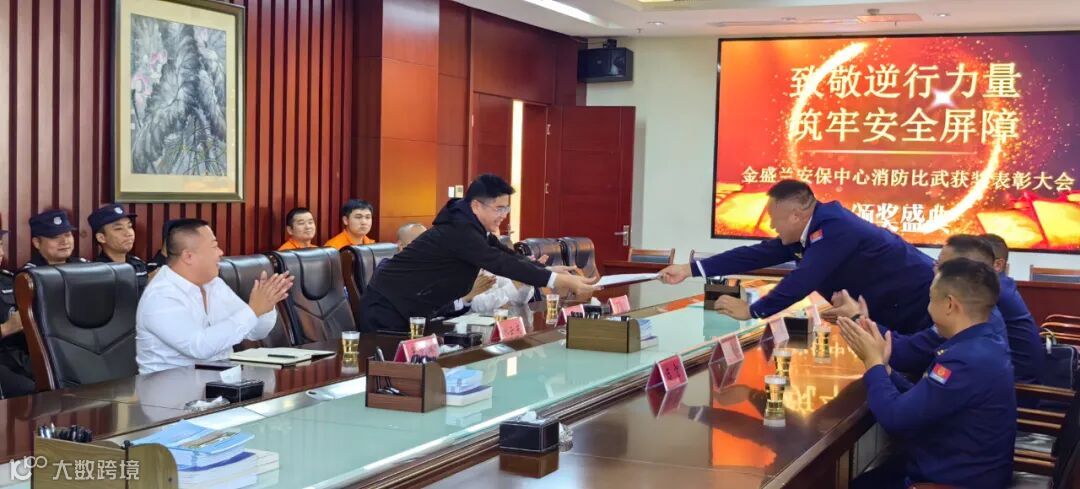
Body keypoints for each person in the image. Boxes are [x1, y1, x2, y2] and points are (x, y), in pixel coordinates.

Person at [658, 180, 935, 334]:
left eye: (774, 218)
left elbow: (803, 279)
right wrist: (688, 269)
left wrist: (752, 311)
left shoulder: (835, 228)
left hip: (921, 303)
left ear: (795, 215)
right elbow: (753, 256)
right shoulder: (808, 230)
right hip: (894, 308)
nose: (771, 225)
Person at [838, 258, 1015, 489]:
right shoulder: (983, 342)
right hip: (955, 464)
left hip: (952, 480)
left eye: (931, 299)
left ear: (949, 305)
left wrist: (873, 363)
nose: (928, 308)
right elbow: (926, 398)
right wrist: (886, 369)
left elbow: (895, 419)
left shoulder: (964, 360)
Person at [359, 174, 598, 333]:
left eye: (507, 208)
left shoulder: (470, 227)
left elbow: (506, 254)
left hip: (413, 308)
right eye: (499, 208)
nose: (503, 215)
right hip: (388, 307)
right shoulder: (459, 231)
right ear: (476, 205)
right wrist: (557, 280)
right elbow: (499, 263)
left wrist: (546, 270)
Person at [135, 219, 294, 374]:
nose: (221, 253)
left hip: (222, 383)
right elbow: (199, 347)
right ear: (188, 256)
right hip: (170, 389)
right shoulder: (160, 296)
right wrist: (253, 311)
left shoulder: (214, 284)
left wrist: (266, 305)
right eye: (214, 246)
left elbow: (256, 332)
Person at [0, 227, 34, 398]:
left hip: (19, 353)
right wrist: (6, 328)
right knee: (29, 391)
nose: (1, 253)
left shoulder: (8, 280)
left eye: (0, 245)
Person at [88, 204, 149, 291]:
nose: (128, 233)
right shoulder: (96, 272)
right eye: (119, 228)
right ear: (101, 238)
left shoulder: (138, 264)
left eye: (129, 226)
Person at [21, 209, 88, 270]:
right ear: (37, 243)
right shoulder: (30, 274)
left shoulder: (84, 267)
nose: (65, 241)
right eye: (55, 237)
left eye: (67, 235)